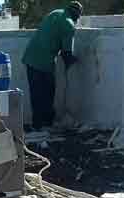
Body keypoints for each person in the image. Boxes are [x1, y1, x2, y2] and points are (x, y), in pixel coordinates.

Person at [22, 1, 82, 131]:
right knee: (48, 93)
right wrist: (78, 61)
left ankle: (37, 124)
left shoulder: (55, 13)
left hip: (30, 57)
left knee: (36, 94)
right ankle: (48, 124)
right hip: (44, 63)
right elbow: (67, 54)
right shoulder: (69, 25)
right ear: (77, 16)